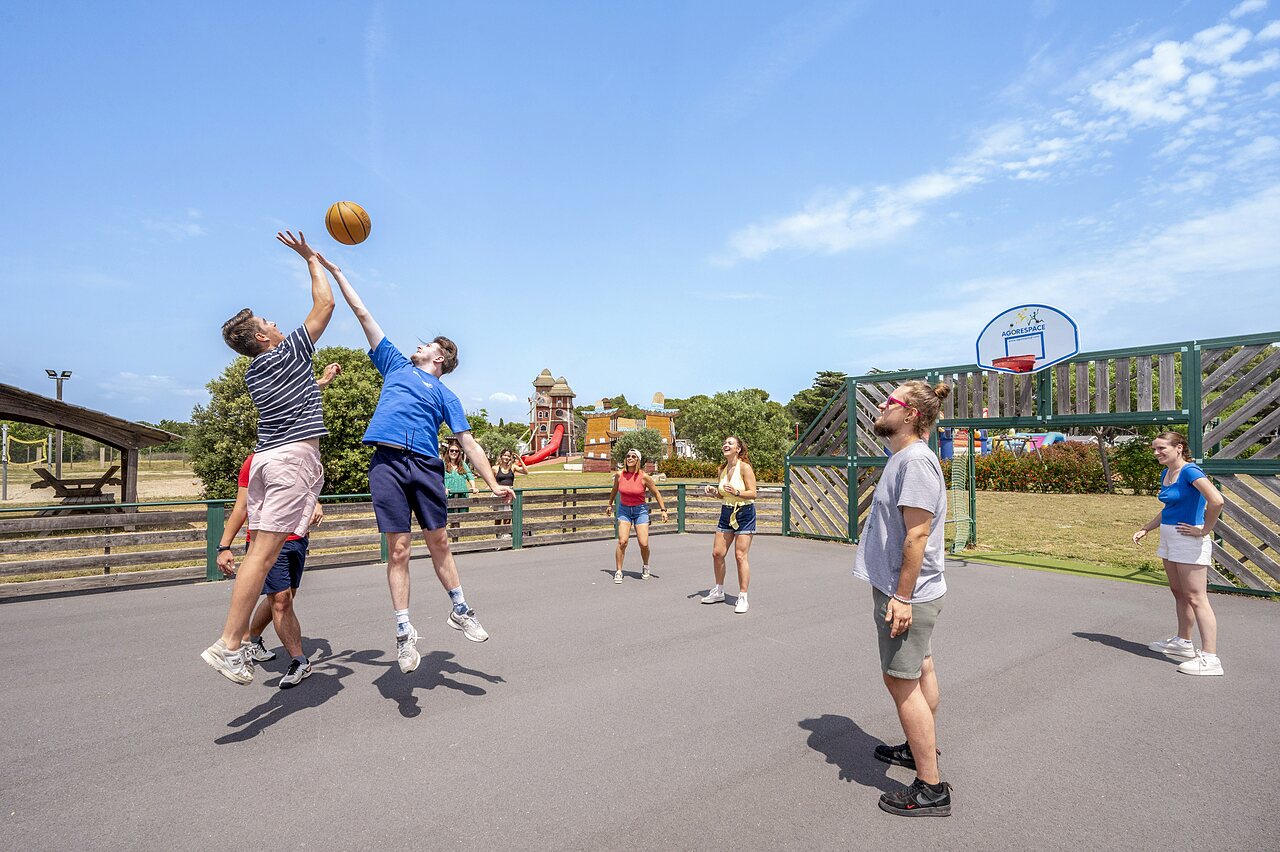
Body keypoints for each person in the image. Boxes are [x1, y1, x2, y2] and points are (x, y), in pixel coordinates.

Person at [315, 253, 514, 675]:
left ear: (439, 359)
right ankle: (405, 634)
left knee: (439, 541)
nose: (418, 345)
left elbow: (469, 442)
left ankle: (460, 609)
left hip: (425, 466)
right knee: (399, 549)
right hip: (386, 462)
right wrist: (337, 272)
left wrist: (494, 482)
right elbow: (362, 312)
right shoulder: (394, 365)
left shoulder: (445, 396)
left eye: (428, 345)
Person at [203, 231, 333, 685]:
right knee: (261, 556)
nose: (277, 322)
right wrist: (310, 258)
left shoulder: (258, 373)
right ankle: (229, 644)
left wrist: (320, 386)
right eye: (268, 321)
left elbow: (295, 402)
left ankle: (234, 644)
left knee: (262, 552)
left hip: (267, 459)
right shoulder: (286, 351)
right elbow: (324, 307)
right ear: (263, 336)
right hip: (290, 462)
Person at [852, 380, 953, 817]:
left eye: (888, 402)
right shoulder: (903, 458)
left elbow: (917, 533)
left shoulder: (915, 462)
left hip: (906, 593)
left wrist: (902, 597)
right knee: (919, 666)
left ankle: (931, 788)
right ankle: (917, 749)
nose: (880, 406)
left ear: (910, 414)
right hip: (907, 590)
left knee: (899, 678)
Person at [215, 363, 342, 689]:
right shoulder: (256, 461)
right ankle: (299, 660)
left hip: (298, 537)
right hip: (268, 540)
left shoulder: (298, 456)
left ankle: (251, 637)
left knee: (282, 599)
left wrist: (315, 501)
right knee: (281, 600)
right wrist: (224, 546)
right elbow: (241, 506)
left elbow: (305, 486)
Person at [1133, 431, 1226, 676]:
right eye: (1154, 448)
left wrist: (1205, 529)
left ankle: (1210, 657)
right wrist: (1146, 528)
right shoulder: (1167, 473)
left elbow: (1216, 500)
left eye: (1161, 448)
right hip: (1169, 536)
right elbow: (1170, 508)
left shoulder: (1190, 472)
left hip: (1188, 540)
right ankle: (1183, 643)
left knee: (1196, 597)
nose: (1156, 453)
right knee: (1179, 592)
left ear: (1179, 447)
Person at [700, 436, 756, 613]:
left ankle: (743, 597)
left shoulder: (745, 467)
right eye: (724, 442)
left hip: (744, 513)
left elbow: (753, 493)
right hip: (726, 511)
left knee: (740, 556)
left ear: (738, 449)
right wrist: (713, 491)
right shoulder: (722, 469)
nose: (726, 444)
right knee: (717, 553)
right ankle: (719, 590)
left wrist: (738, 492)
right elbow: (723, 494)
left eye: (730, 443)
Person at [604, 448, 669, 582]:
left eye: (633, 456)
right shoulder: (619, 475)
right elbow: (615, 489)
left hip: (640, 511)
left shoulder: (644, 477)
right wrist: (609, 504)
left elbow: (656, 493)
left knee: (643, 543)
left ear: (638, 460)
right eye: (628, 456)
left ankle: (645, 566)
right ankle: (618, 571)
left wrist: (663, 510)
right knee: (622, 541)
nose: (630, 458)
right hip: (624, 510)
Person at [491, 449, 529, 535]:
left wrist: (520, 459)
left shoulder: (513, 467)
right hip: (499, 493)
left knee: (508, 517)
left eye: (508, 456)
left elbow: (526, 472)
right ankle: (498, 536)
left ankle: (506, 536)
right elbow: (491, 481)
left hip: (509, 494)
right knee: (498, 517)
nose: (506, 457)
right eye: (505, 455)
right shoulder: (495, 468)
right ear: (501, 456)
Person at [443, 437, 477, 530]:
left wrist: (473, 487)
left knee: (457, 520)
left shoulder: (462, 464)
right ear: (448, 451)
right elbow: (437, 478)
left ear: (459, 453)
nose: (454, 452)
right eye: (452, 450)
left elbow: (469, 475)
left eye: (456, 451)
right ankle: (443, 543)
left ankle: (455, 541)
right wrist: (443, 488)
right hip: (447, 497)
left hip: (461, 496)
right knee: (444, 521)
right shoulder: (443, 464)